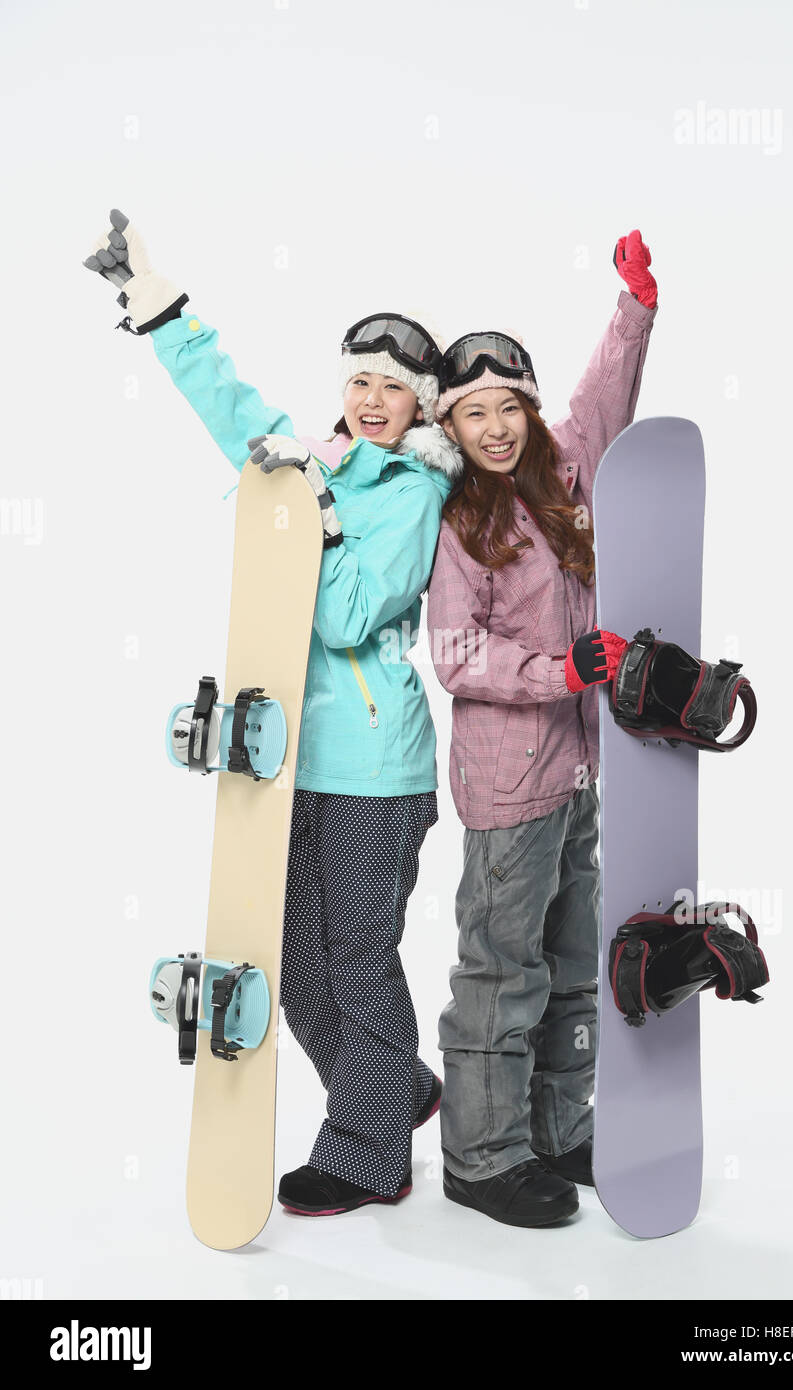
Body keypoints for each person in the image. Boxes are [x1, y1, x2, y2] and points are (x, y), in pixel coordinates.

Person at [84, 211, 463, 1215]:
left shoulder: (407, 493)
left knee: (356, 961)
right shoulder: (316, 462)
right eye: (359, 381)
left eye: (394, 387)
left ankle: (367, 1152)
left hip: (375, 768)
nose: (371, 401)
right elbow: (230, 411)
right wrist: (160, 308)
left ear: (419, 406)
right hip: (285, 753)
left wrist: (322, 517)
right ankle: (396, 1090)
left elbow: (342, 611)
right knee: (292, 966)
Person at [425, 229, 658, 1227]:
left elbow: (603, 400)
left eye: (503, 406)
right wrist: (556, 669)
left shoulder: (560, 481)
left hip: (573, 778)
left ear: (523, 406)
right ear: (453, 423)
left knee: (569, 964)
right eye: (469, 411)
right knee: (501, 970)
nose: (491, 426)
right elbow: (452, 653)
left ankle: (558, 1131)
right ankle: (482, 1154)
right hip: (504, 784)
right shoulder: (459, 522)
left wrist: (632, 307)